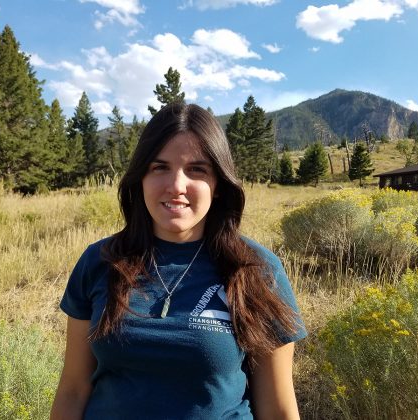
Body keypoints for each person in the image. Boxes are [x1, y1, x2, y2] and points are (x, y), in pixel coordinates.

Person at [50, 102, 307, 420]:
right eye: (160, 167)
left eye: (196, 170)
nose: (176, 186)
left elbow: (278, 407)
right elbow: (73, 389)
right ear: (141, 177)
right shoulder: (100, 262)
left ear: (218, 183)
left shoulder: (256, 270)